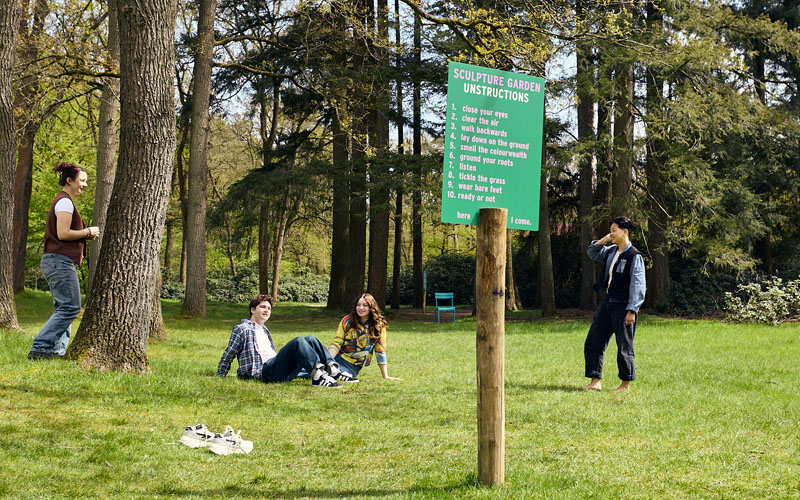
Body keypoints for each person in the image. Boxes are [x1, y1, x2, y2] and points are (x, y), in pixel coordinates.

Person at [28, 162, 100, 360]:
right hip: (59, 259)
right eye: (82, 181)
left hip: (56, 260)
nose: (84, 185)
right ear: (69, 180)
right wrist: (88, 232)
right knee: (71, 307)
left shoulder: (64, 201)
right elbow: (63, 233)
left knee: (64, 307)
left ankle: (56, 351)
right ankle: (41, 347)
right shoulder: (65, 202)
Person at [216, 294, 356, 388]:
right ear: (252, 309)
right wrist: (220, 375)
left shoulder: (265, 330)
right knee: (298, 342)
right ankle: (319, 377)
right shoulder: (242, 329)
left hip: (278, 368)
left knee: (310, 339)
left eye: (269, 308)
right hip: (265, 372)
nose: (267, 311)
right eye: (263, 307)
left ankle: (333, 369)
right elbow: (229, 353)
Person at [583, 216, 646, 392]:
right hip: (607, 301)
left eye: (614, 230)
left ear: (625, 232)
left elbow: (638, 284)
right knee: (594, 340)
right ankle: (595, 381)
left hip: (624, 305)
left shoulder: (634, 256)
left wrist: (632, 310)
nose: (611, 233)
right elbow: (592, 253)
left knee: (624, 346)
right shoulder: (610, 251)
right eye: (610, 230)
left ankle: (625, 384)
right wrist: (603, 240)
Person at [328, 293, 401, 382]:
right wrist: (328, 361)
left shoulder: (379, 325)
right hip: (336, 359)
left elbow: (380, 351)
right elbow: (336, 343)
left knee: (323, 372)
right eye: (358, 305)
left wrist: (386, 376)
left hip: (351, 366)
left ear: (371, 307)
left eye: (365, 305)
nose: (361, 308)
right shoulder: (347, 320)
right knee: (311, 342)